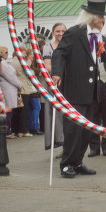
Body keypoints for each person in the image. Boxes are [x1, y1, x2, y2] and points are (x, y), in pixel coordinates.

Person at [51, 0, 106, 179]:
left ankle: (77, 162)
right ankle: (66, 164)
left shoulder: (97, 37)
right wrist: (57, 72)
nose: (103, 21)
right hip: (76, 90)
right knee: (73, 130)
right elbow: (59, 53)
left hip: (92, 92)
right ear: (93, 18)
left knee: (87, 130)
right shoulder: (75, 33)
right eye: (101, 17)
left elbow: (99, 58)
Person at [43, 23, 66, 151]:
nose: (60, 33)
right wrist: (61, 72)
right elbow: (47, 66)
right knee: (57, 114)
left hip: (68, 82)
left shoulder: (69, 46)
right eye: (57, 31)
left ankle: (68, 145)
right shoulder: (48, 47)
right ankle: (61, 142)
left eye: (63, 31)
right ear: (53, 32)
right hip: (54, 82)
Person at [0, 46, 21, 138]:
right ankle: (7, 131)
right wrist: (19, 85)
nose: (7, 54)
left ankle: (8, 130)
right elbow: (11, 77)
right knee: (8, 111)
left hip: (9, 88)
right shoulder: (3, 63)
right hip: (7, 89)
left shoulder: (4, 63)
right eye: (6, 52)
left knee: (9, 111)